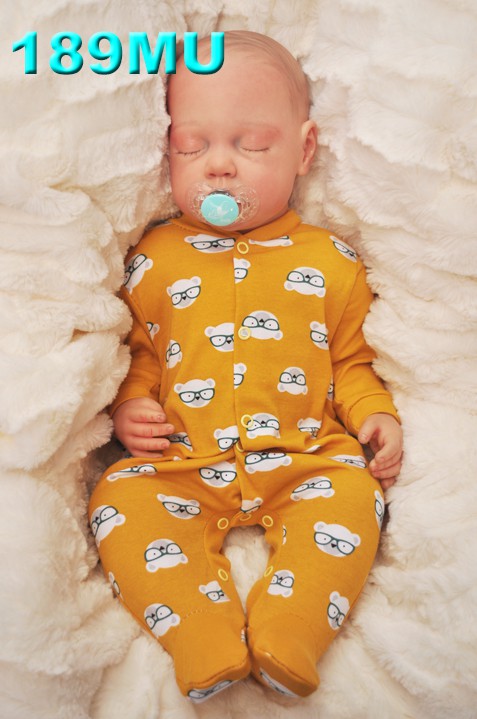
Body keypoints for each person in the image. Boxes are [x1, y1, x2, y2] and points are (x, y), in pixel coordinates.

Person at [89, 30, 403, 703]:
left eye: (252, 145)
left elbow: (350, 361)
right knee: (119, 498)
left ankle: (292, 632)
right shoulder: (152, 257)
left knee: (355, 498)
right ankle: (200, 636)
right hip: (182, 459)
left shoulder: (331, 261)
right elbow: (139, 352)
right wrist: (130, 405)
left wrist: (374, 413)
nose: (219, 167)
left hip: (305, 456)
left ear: (303, 150)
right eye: (191, 147)